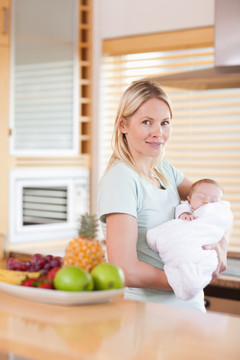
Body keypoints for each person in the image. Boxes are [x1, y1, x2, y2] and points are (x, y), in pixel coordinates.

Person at [97, 80, 228, 312]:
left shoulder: (164, 169)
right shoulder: (121, 179)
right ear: (122, 125)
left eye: (165, 123)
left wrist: (221, 246)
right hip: (149, 315)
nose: (158, 133)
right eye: (147, 122)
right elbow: (126, 270)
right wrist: (187, 280)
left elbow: (213, 206)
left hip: (190, 311)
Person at [146, 179, 233, 300]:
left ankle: (191, 281)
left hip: (203, 245)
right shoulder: (186, 208)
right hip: (183, 241)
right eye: (201, 197)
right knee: (167, 234)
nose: (206, 201)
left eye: (213, 200)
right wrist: (185, 214)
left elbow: (225, 220)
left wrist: (223, 243)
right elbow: (182, 210)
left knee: (206, 263)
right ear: (189, 200)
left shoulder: (217, 212)